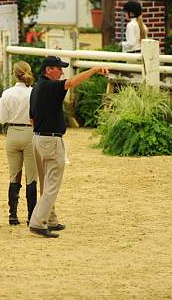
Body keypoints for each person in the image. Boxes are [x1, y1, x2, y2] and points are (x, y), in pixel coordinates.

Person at [28, 56, 108, 238]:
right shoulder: (51, 86)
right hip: (51, 139)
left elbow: (31, 117)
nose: (62, 72)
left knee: (46, 182)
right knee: (52, 184)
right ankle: (37, 222)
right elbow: (71, 82)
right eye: (59, 68)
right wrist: (94, 70)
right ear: (48, 70)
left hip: (38, 138)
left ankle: (50, 219)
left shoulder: (36, 88)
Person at [0, 61, 38, 226]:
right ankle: (31, 216)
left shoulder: (7, 93)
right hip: (30, 134)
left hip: (13, 134)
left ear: (14, 74)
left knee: (14, 175)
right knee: (31, 177)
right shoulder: (34, 93)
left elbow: (1, 119)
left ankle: (13, 215)